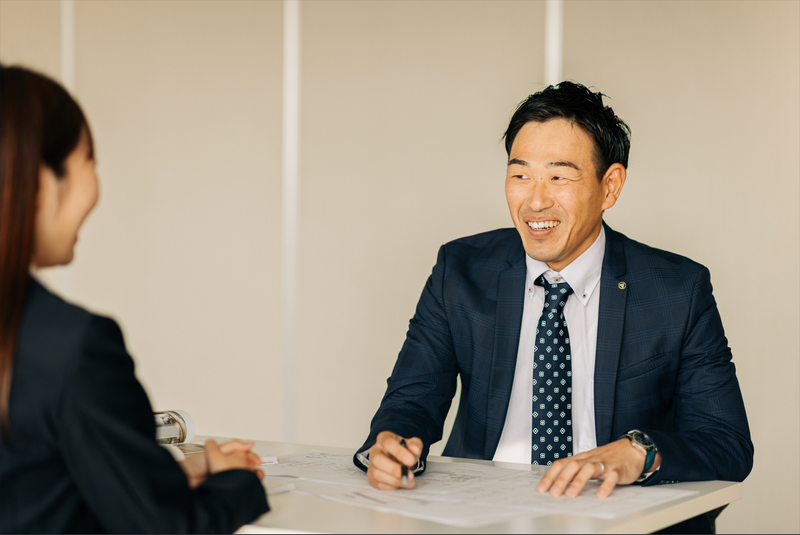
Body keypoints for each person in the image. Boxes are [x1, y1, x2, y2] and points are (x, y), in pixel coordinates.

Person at [353, 82, 753, 533]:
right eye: (520, 175)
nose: (536, 201)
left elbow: (727, 443)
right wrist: (391, 446)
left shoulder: (676, 289)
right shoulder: (461, 270)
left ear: (610, 186)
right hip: (481, 519)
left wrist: (638, 452)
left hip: (617, 521)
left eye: (559, 177)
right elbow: (411, 401)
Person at [0, 65, 269, 533]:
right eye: (90, 161)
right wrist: (236, 482)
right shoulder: (74, 347)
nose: (96, 187)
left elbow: (31, 487)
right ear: (41, 181)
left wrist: (158, 477)